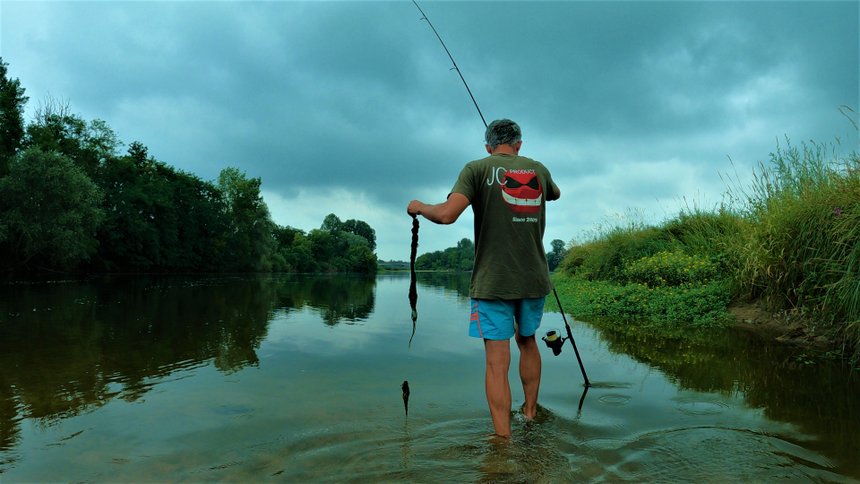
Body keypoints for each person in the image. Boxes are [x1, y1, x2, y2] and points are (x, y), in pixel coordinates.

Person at [407, 118, 560, 439]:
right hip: (533, 278)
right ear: (519, 144)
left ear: (488, 146)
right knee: (528, 341)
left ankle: (503, 442)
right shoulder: (538, 169)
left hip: (492, 282)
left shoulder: (475, 168)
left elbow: (448, 214)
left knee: (496, 362)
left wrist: (420, 206)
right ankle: (530, 414)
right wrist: (525, 169)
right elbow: (554, 194)